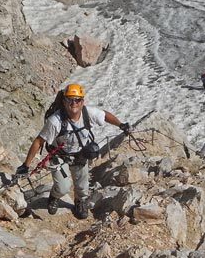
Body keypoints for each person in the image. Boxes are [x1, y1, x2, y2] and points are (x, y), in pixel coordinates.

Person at [16, 83, 129, 220]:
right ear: (64, 101)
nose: (74, 103)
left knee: (82, 186)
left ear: (82, 101)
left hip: (80, 154)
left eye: (77, 100)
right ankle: (54, 196)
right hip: (59, 155)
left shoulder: (88, 113)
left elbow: (105, 115)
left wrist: (120, 124)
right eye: (70, 99)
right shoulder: (55, 121)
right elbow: (39, 141)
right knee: (63, 187)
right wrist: (26, 165)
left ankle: (79, 202)